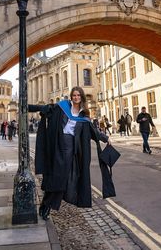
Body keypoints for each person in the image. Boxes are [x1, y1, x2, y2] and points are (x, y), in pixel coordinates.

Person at [28, 86, 115, 221]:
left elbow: (93, 131)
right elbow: (46, 108)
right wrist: (26, 107)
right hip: (58, 146)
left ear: (81, 97)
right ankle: (46, 205)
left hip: (72, 150)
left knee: (65, 180)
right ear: (71, 97)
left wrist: (106, 138)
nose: (76, 98)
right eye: (74, 95)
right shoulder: (62, 107)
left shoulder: (83, 116)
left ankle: (47, 206)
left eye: (78, 96)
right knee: (57, 178)